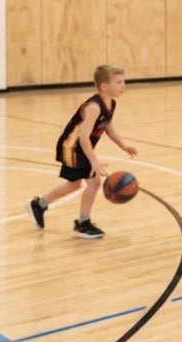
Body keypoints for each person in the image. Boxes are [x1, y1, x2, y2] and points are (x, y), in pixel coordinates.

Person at [25, 64, 136, 239]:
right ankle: (82, 223)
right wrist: (94, 161)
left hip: (79, 147)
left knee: (75, 184)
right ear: (104, 87)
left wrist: (123, 145)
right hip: (72, 147)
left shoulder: (110, 104)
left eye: (124, 81)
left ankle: (39, 205)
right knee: (94, 182)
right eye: (119, 82)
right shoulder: (94, 107)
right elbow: (83, 137)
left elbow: (108, 126)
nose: (123, 85)